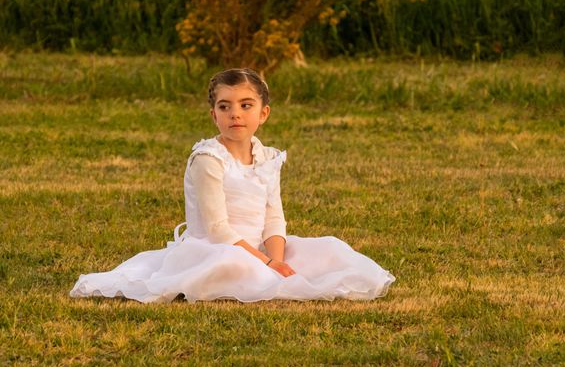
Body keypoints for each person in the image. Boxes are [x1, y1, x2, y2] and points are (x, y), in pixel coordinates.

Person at [70, 68, 396, 303]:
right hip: (216, 247)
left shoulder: (267, 156)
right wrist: (265, 264)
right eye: (225, 106)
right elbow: (218, 229)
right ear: (214, 115)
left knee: (330, 248)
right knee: (231, 263)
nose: (235, 115)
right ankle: (253, 274)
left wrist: (276, 258)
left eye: (245, 105)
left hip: (261, 248)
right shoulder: (208, 159)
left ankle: (272, 273)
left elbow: (274, 217)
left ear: (263, 113)